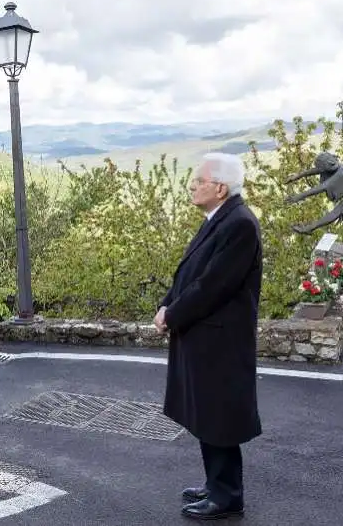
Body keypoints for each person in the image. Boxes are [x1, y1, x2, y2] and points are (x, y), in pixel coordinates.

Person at [153, 152, 263, 521]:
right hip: (206, 338)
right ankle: (216, 484)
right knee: (208, 415)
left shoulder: (240, 225)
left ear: (219, 187)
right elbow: (190, 273)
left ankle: (227, 495)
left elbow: (213, 286)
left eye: (198, 181)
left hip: (221, 342)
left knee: (219, 418)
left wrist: (173, 313)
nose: (192, 187)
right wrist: (168, 303)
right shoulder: (221, 218)